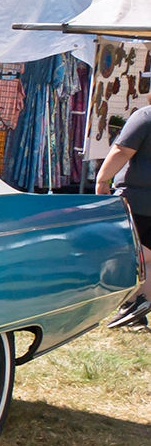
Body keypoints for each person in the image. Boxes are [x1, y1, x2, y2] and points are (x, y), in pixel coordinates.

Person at [97, 106, 151, 327]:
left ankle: (132, 303)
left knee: (127, 253)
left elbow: (122, 151)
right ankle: (139, 304)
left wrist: (102, 181)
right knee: (146, 254)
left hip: (137, 198)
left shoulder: (145, 116)